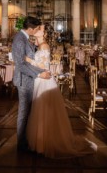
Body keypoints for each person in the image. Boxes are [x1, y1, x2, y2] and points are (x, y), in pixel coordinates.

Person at [25, 23, 97, 158]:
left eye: (39, 28)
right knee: (38, 112)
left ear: (44, 33)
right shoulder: (38, 45)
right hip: (39, 80)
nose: (36, 29)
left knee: (44, 112)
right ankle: (40, 142)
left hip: (44, 82)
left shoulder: (44, 45)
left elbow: (44, 65)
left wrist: (28, 60)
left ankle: (45, 143)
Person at [12, 16, 51, 152]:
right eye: (36, 29)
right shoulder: (19, 39)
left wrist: (38, 47)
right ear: (30, 29)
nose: (36, 31)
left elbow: (29, 55)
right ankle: (21, 145)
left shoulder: (25, 39)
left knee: (28, 112)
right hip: (24, 80)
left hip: (29, 79)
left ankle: (27, 140)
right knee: (23, 113)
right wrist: (39, 74)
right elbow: (20, 64)